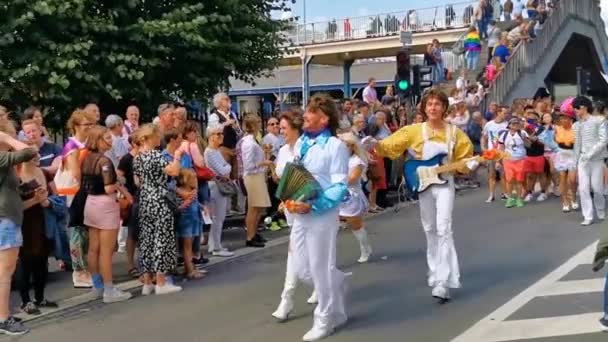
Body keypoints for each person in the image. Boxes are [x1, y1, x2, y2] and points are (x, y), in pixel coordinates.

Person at [368, 88, 476, 304]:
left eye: (437, 104)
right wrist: (373, 145)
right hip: (423, 184)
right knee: (429, 229)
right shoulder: (413, 131)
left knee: (444, 228)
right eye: (429, 104)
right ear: (424, 108)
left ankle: (443, 281)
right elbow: (391, 147)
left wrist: (469, 165)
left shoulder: (456, 134)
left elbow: (465, 161)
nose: (433, 108)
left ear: (444, 108)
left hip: (445, 183)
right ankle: (435, 271)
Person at [283, 94, 350, 340]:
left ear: (323, 119)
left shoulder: (336, 146)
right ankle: (338, 281)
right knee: (302, 269)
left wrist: (314, 206)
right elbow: (297, 175)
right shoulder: (302, 143)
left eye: (310, 112)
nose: (305, 115)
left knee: (320, 268)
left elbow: (339, 186)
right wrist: (289, 199)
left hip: (322, 214)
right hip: (300, 213)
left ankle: (325, 319)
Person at [271, 111, 318, 321]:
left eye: (284, 128)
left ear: (296, 128)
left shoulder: (307, 148)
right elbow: (282, 179)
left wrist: (299, 199)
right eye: (280, 128)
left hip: (308, 208)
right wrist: (284, 199)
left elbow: (311, 180)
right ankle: (323, 285)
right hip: (290, 208)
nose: (281, 132)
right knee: (300, 255)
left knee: (299, 255)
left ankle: (286, 299)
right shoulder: (282, 151)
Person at [0, 122, 37, 335]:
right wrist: (7, 138)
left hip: (6, 217)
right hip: (6, 219)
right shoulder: (2, 157)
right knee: (5, 273)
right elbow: (29, 151)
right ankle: (4, 319)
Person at [573, 96, 608, 226]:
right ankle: (587, 215)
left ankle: (600, 209)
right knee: (583, 188)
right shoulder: (576, 125)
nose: (575, 110)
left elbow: (603, 140)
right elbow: (576, 145)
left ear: (584, 107)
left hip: (597, 160)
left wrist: (590, 153)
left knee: (597, 188)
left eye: (577, 108)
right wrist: (575, 161)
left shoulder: (599, 120)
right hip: (583, 161)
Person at [339, 132, 372, 263]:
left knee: (355, 225)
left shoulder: (356, 161)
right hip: (335, 195)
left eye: (346, 145)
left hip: (351, 196)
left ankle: (365, 248)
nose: (343, 148)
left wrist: (335, 181)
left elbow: (352, 179)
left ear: (352, 146)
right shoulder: (337, 160)